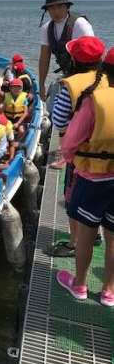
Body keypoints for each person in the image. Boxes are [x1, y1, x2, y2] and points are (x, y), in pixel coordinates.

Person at [57, 48, 114, 307]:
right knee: (113, 237)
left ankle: (79, 284)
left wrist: (71, 158)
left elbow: (70, 141)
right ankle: (109, 291)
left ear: (105, 70)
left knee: (87, 235)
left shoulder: (95, 100)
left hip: (93, 177)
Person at [47, 36, 107, 256]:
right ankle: (95, 234)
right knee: (101, 199)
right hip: (107, 151)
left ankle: (74, 243)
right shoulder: (108, 79)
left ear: (74, 60)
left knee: (73, 199)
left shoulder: (71, 85)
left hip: (81, 155)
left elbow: (58, 119)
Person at [38, 0, 94, 102]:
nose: (56, 11)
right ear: (47, 10)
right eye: (51, 8)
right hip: (68, 75)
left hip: (88, 76)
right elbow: (44, 59)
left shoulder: (80, 24)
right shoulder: (46, 28)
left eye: (60, 7)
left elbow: (94, 54)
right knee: (55, 105)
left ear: (67, 7)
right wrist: (41, 84)